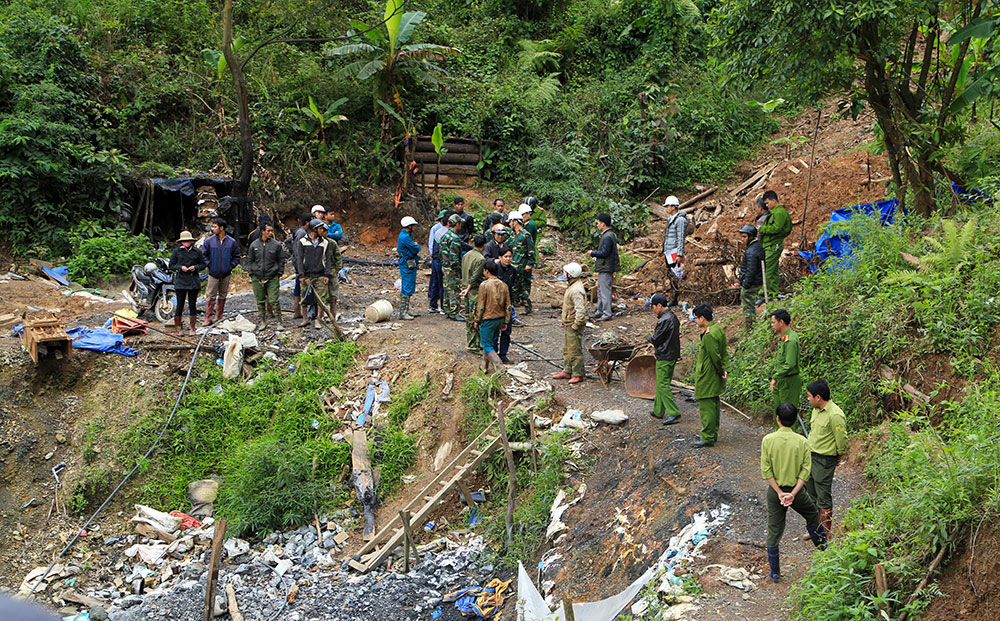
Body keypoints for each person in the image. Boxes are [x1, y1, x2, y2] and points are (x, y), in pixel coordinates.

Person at [761, 402, 828, 583]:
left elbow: (766, 471)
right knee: (813, 517)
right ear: (795, 421)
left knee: (774, 530)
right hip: (797, 492)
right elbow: (805, 472)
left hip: (775, 493)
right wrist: (792, 494)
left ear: (777, 419)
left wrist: (780, 493)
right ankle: (826, 555)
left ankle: (775, 573)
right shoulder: (803, 442)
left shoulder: (768, 440)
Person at [803, 379, 847, 541]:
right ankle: (815, 530)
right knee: (811, 494)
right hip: (811, 457)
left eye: (809, 396)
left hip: (824, 460)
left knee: (823, 496)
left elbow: (841, 439)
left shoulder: (835, 415)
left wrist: (838, 456)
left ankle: (825, 534)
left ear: (818, 397)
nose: (808, 399)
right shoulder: (816, 410)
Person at [692, 304, 727, 448]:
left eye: (696, 318)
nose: (695, 321)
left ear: (702, 318)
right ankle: (711, 433)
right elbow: (724, 353)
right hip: (714, 373)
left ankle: (708, 436)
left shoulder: (709, 335)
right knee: (714, 403)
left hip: (708, 374)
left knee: (707, 406)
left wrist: (720, 371)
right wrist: (725, 370)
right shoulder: (718, 329)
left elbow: (715, 357)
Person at [294, 219, 337, 329]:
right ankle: (305, 319)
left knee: (321, 300)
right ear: (314, 229)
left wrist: (327, 275)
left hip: (320, 275)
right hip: (307, 275)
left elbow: (327, 260)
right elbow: (299, 259)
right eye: (320, 228)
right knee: (304, 299)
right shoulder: (303, 241)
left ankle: (318, 320)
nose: (323, 230)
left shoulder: (325, 243)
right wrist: (301, 275)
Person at [647, 294, 681, 424]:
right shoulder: (672, 316)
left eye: (653, 307)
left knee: (663, 384)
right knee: (662, 382)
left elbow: (656, 339)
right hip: (672, 354)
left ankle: (674, 412)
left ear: (659, 306)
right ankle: (658, 410)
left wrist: (649, 337)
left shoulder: (664, 320)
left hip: (665, 355)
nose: (653, 310)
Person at [246, 222, 287, 329]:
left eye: (271, 230)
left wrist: (279, 272)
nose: (270, 233)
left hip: (272, 276)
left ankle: (279, 322)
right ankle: (263, 321)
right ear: (262, 231)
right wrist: (251, 272)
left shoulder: (276, 245)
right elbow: (250, 260)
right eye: (268, 230)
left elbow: (281, 260)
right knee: (260, 301)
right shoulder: (254, 245)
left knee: (274, 300)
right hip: (257, 276)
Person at [201, 217, 241, 326]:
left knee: (223, 295)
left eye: (215, 227)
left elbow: (237, 256)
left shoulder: (231, 242)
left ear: (221, 228)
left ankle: (219, 316)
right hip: (213, 273)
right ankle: (208, 318)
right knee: (211, 296)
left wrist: (230, 266)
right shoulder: (209, 241)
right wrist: (210, 265)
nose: (212, 229)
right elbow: (204, 255)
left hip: (226, 273)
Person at [552, 262, 587, 384]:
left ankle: (578, 374)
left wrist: (576, 324)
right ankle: (567, 371)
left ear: (570, 275)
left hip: (574, 323)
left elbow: (580, 310)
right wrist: (564, 320)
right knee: (567, 348)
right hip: (569, 322)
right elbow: (569, 307)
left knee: (575, 350)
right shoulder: (571, 285)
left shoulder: (576, 290)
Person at [475, 261, 511, 374]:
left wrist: (477, 320)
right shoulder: (503, 285)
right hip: (500, 319)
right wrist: (506, 321)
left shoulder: (484, 285)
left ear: (486, 271)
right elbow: (508, 305)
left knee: (486, 344)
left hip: (488, 319)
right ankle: (483, 366)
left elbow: (481, 305)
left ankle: (500, 367)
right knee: (489, 343)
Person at [168, 230, 206, 336]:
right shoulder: (176, 252)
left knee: (192, 305)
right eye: (184, 241)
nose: (186, 243)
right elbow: (171, 265)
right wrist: (180, 268)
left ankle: (192, 328)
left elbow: (203, 264)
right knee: (180, 305)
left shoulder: (197, 252)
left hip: (193, 281)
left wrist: (195, 267)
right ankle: (178, 328)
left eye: (188, 241)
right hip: (181, 281)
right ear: (181, 242)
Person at [757, 190, 792, 299]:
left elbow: (777, 228)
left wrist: (762, 229)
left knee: (767, 270)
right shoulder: (775, 212)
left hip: (773, 245)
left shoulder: (779, 213)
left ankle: (763, 294)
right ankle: (773, 293)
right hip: (770, 245)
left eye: (767, 203)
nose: (766, 206)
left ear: (773, 200)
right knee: (773, 271)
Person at [769, 308, 801, 422]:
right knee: (778, 414)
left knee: (787, 416)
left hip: (789, 381)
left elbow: (790, 364)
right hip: (782, 381)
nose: (772, 325)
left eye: (774, 322)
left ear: (781, 322)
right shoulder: (784, 338)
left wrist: (775, 377)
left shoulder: (791, 340)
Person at [589, 213, 619, 321]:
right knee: (601, 290)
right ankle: (600, 311)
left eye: (598, 223)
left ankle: (607, 313)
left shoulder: (607, 236)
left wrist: (593, 253)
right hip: (604, 267)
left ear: (603, 224)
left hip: (606, 267)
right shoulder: (608, 235)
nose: (597, 225)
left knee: (605, 291)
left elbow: (605, 252)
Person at [735, 224, 764, 330]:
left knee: (748, 308)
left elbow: (751, 271)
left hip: (752, 284)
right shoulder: (756, 247)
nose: (742, 239)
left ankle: (750, 330)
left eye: (744, 237)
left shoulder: (751, 251)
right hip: (757, 281)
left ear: (751, 237)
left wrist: (745, 284)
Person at [461, 235, 487, 350]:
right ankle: (474, 344)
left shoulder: (466, 255)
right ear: (484, 245)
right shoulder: (481, 259)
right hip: (474, 291)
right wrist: (469, 287)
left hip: (466, 288)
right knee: (476, 318)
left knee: (469, 317)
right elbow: (475, 276)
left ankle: (471, 342)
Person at [662, 196, 687, 306]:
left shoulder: (680, 220)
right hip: (669, 252)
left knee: (676, 275)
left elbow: (681, 237)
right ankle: (673, 297)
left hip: (674, 253)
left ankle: (676, 298)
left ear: (674, 207)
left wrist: (680, 254)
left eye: (668, 206)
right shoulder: (670, 219)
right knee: (671, 275)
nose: (666, 208)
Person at [507, 211, 535, 314]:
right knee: (519, 287)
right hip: (513, 265)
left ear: (515, 221)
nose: (509, 224)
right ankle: (528, 307)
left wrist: (529, 264)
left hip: (521, 266)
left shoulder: (525, 235)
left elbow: (531, 250)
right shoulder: (514, 236)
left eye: (510, 221)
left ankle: (512, 309)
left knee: (515, 287)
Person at [494, 247, 517, 363]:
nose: (508, 259)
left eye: (510, 257)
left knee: (506, 330)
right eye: (506, 257)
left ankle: (503, 354)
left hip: (508, 304)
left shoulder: (512, 271)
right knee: (494, 331)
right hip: (496, 304)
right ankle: (493, 354)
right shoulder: (495, 270)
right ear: (500, 258)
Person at [288, 213, 312, 321]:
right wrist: (299, 268)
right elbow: (298, 252)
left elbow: (288, 242)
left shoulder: (300, 231)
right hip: (301, 266)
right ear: (307, 222)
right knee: (300, 289)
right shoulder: (302, 233)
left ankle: (298, 312)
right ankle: (299, 312)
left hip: (299, 265)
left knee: (299, 288)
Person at [440, 214, 464, 320]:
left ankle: (447, 309)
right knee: (454, 289)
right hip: (452, 268)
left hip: (444, 266)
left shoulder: (444, 236)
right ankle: (454, 312)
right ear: (457, 224)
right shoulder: (455, 238)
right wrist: (458, 268)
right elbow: (455, 256)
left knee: (446, 288)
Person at [397, 216, 421, 320]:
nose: (414, 228)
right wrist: (417, 246)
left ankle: (406, 310)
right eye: (413, 226)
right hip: (407, 264)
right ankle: (403, 312)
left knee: (409, 286)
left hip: (408, 263)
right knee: (406, 287)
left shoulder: (405, 235)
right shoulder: (405, 237)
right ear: (409, 226)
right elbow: (415, 248)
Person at [428, 209, 448, 313]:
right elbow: (431, 244)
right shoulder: (436, 229)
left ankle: (435, 304)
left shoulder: (445, 230)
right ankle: (434, 305)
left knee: (437, 282)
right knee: (437, 282)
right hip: (437, 259)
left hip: (437, 259)